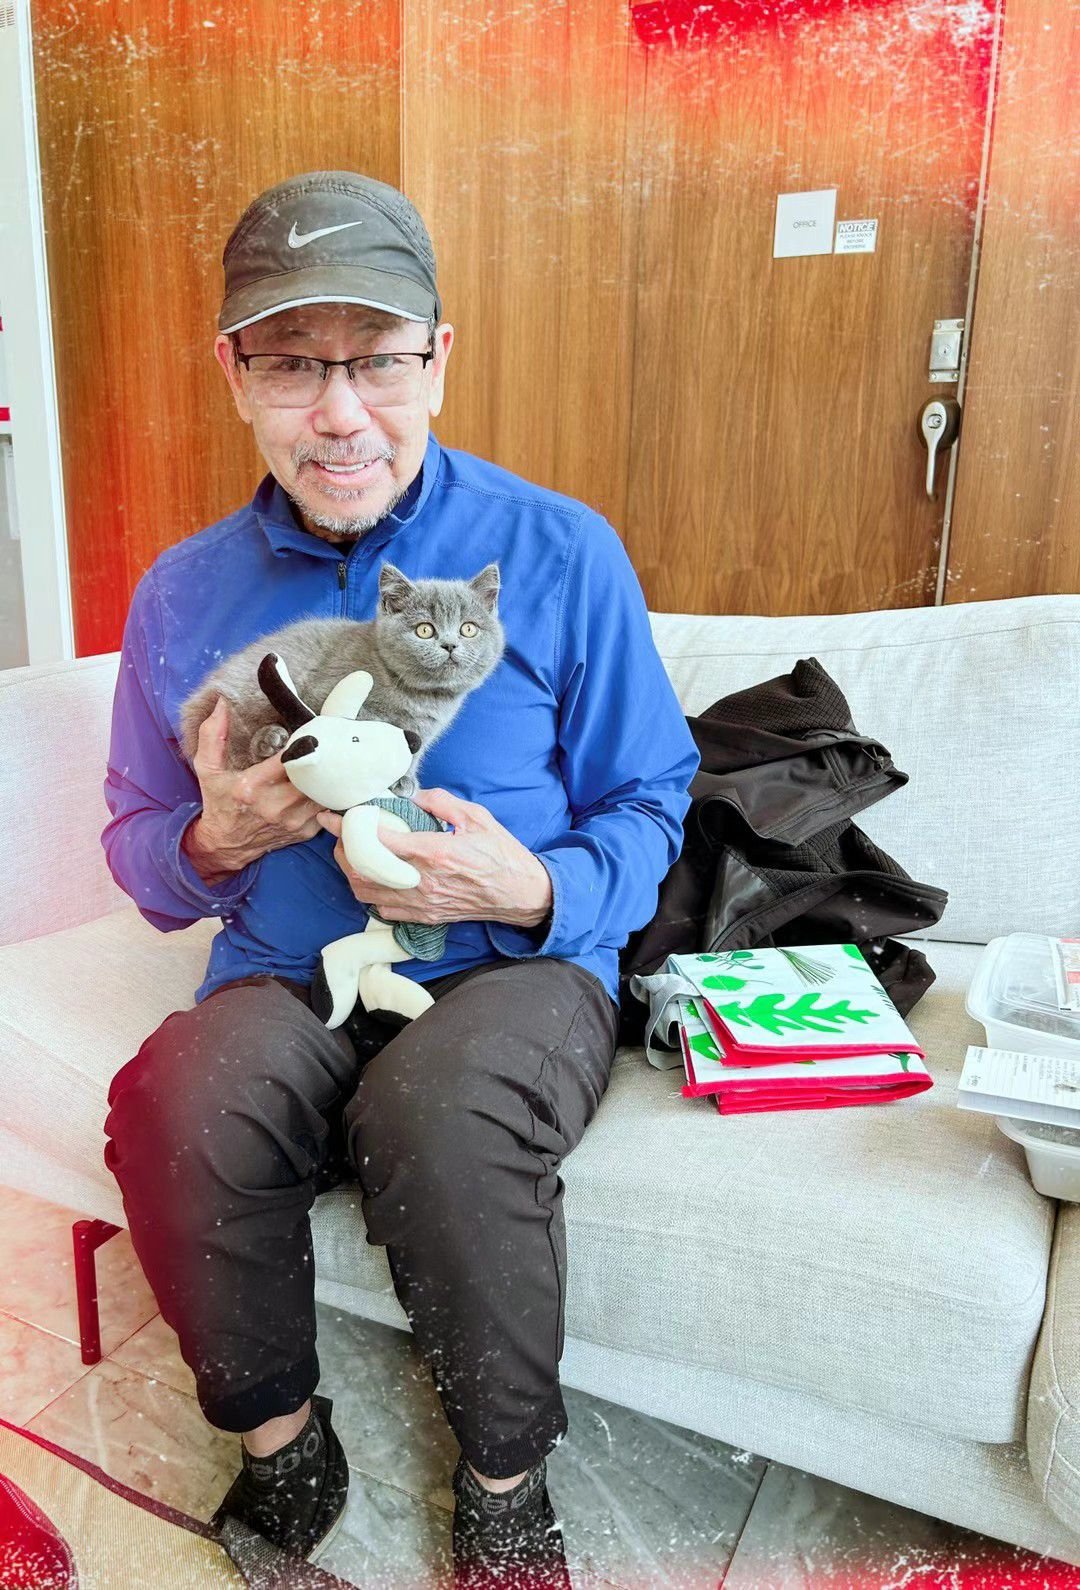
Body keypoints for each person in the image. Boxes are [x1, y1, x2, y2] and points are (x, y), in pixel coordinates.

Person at [101, 170, 699, 1587]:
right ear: (236, 374)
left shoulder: (559, 552)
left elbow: (655, 794)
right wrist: (215, 840)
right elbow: (140, 850)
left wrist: (532, 888)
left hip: (510, 971)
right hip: (286, 966)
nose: (342, 411)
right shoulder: (183, 595)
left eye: (376, 357)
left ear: (443, 355)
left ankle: (502, 1483)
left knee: (434, 1107)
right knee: (173, 1099)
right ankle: (283, 1440)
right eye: (296, 363)